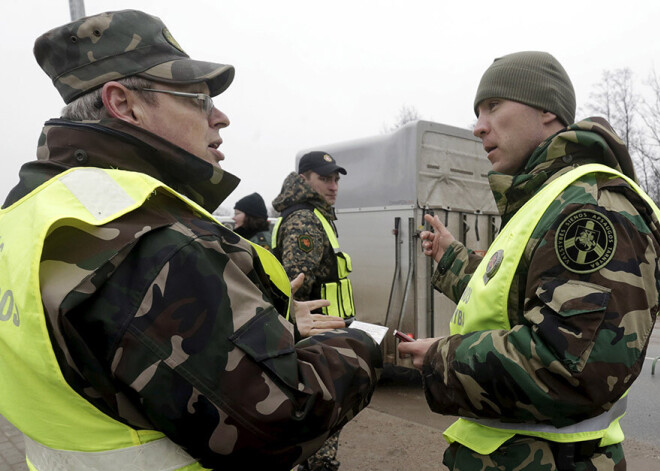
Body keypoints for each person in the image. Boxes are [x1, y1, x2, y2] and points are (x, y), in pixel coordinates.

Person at [0, 10, 381, 471]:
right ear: (124, 103)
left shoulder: (27, 213)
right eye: (198, 99)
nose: (220, 117)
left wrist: (270, 324)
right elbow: (280, 421)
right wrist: (364, 345)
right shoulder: (148, 234)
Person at [398, 51, 660, 470]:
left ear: (547, 112)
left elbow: (568, 368)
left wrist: (440, 358)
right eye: (477, 112)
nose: (479, 125)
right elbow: (517, 298)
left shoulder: (588, 209)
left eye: (494, 106)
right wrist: (452, 260)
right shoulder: (544, 199)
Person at [272, 151, 355, 470]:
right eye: (325, 178)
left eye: (336, 179)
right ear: (304, 178)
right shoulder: (305, 218)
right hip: (316, 336)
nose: (334, 186)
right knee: (323, 411)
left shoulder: (316, 214)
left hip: (325, 332)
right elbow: (296, 282)